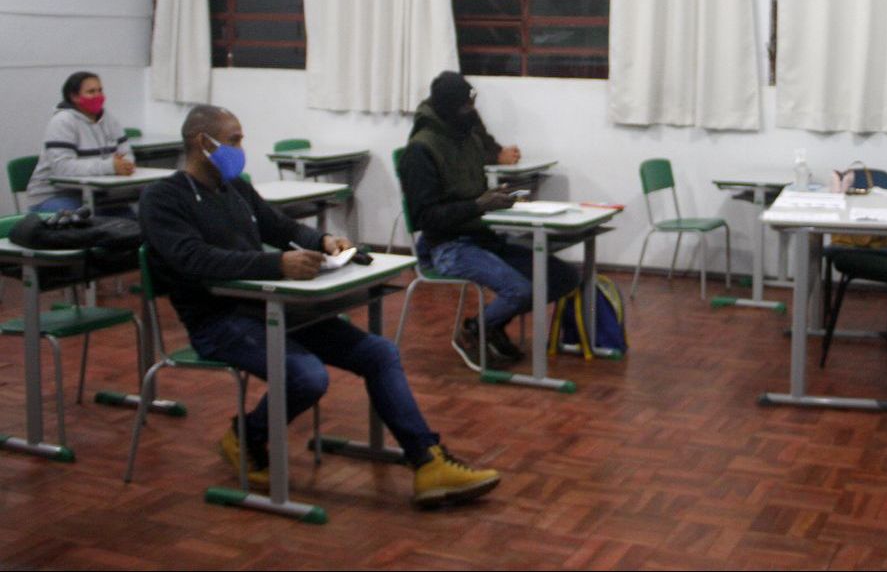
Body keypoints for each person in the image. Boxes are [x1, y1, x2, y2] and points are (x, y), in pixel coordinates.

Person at [139, 104, 499, 508]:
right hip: (218, 320)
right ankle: (246, 438)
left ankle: (428, 461)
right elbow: (194, 259)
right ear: (200, 141)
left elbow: (280, 227)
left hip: (271, 306)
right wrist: (277, 264)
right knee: (307, 376)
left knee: (379, 353)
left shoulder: (235, 188)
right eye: (233, 140)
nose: (240, 149)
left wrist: (323, 242)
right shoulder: (163, 198)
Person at [398, 71, 579, 371]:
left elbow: (478, 185)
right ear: (448, 108)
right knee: (519, 289)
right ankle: (475, 331)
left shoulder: (467, 136)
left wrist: (499, 198)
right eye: (465, 106)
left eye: (473, 103)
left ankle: (492, 326)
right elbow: (424, 217)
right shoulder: (420, 150)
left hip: (483, 237)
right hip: (447, 246)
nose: (472, 111)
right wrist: (478, 205)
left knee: (564, 277)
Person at [27, 71, 137, 213]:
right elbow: (63, 167)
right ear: (74, 96)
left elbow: (126, 153)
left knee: (130, 217)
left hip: (95, 193)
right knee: (86, 220)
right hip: (55, 195)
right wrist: (110, 166)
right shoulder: (62, 121)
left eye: (100, 90)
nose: (98, 96)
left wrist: (125, 165)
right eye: (91, 92)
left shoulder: (109, 120)